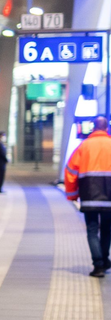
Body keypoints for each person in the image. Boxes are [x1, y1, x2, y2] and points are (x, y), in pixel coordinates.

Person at [64, 115, 111, 277]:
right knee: (107, 230)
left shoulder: (84, 147)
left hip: (89, 195)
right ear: (106, 128)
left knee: (92, 230)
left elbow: (70, 171)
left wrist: (72, 195)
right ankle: (105, 260)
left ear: (93, 128)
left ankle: (98, 265)